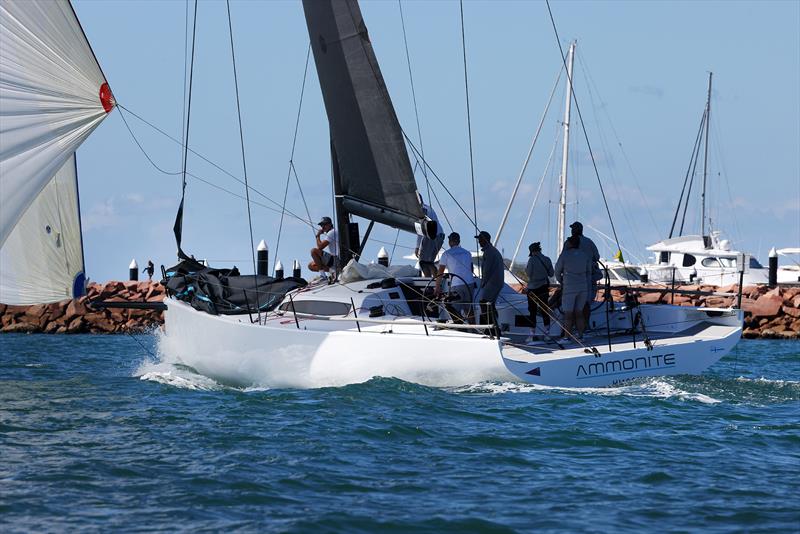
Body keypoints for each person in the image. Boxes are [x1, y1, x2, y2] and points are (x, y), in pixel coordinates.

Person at [554, 235, 591, 340]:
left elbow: (557, 271)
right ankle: (580, 335)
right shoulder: (585, 255)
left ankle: (566, 337)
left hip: (569, 286)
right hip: (583, 286)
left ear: (569, 244)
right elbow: (589, 272)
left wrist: (561, 281)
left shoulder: (564, 255)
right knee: (579, 312)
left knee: (568, 313)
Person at [434, 232, 476, 323]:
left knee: (455, 309)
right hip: (470, 283)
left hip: (457, 284)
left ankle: (460, 329)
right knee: (468, 309)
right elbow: (471, 269)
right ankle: (474, 330)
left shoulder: (446, 254)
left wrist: (437, 287)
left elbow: (440, 272)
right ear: (459, 241)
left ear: (449, 242)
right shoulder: (467, 253)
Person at [569, 221, 600, 326]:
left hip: (573, 279)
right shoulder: (589, 242)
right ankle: (585, 327)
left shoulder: (569, 243)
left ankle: (572, 328)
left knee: (572, 304)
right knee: (586, 303)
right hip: (588, 277)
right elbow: (597, 257)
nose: (572, 230)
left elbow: (563, 259)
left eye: (573, 229)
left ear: (575, 230)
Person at [475, 230, 503, 337]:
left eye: (480, 239)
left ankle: (491, 330)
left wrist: (483, 282)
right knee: (489, 305)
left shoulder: (489, 252)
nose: (479, 242)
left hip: (492, 282)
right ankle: (491, 329)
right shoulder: (492, 250)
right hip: (496, 282)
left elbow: (487, 270)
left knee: (484, 303)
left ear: (485, 240)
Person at [525, 242, 553, 339]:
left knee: (532, 311)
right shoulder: (547, 259)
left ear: (532, 251)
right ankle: (547, 333)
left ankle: (532, 334)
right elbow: (551, 274)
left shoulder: (531, 260)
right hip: (544, 287)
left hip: (532, 288)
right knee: (544, 309)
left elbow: (528, 273)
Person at [415, 202, 444, 277]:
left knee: (423, 262)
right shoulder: (428, 208)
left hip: (432, 236)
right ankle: (436, 281)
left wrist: (417, 247)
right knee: (430, 262)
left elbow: (420, 230)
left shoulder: (421, 210)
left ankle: (428, 281)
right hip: (440, 235)